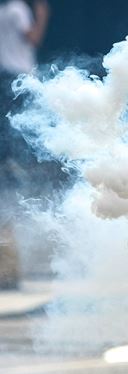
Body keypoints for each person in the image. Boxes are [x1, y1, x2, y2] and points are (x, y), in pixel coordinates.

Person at [0, 0, 49, 290]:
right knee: (19, 147)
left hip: (5, 80)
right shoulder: (18, 9)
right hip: (18, 80)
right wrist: (42, 15)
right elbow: (33, 38)